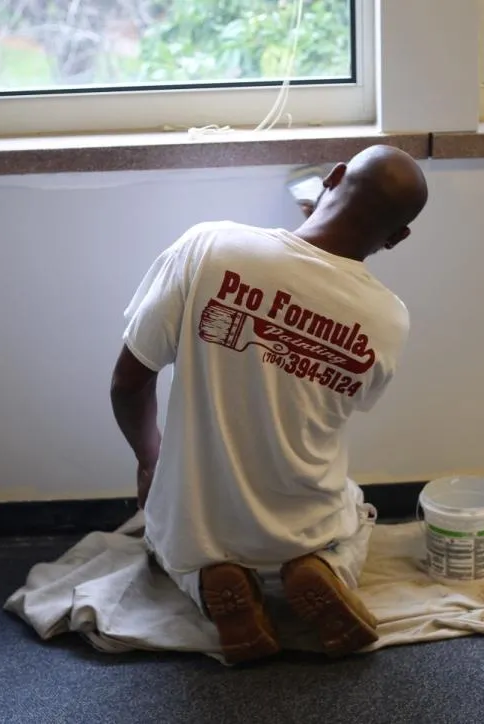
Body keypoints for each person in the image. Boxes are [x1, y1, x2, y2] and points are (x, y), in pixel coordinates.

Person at [110, 144, 428, 664]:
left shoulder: (209, 247)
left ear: (334, 177)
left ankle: (214, 584)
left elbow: (128, 382)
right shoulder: (388, 319)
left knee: (167, 539)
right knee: (358, 512)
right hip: (304, 522)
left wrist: (149, 461)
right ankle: (325, 570)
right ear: (397, 237)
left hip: (199, 518)